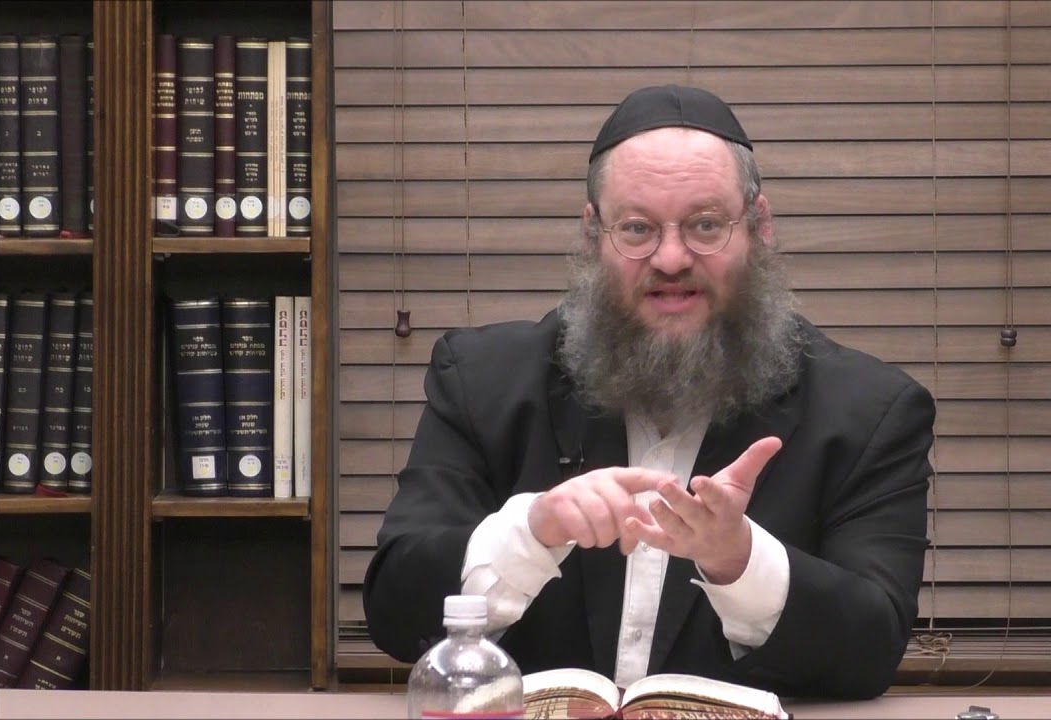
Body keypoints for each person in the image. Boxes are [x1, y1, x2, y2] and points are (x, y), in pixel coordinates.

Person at [363, 84, 935, 700]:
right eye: (636, 229)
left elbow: (872, 652)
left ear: (759, 227)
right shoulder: (481, 381)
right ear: (594, 235)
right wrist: (532, 531)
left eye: (706, 226)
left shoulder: (871, 411)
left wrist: (739, 560)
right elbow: (396, 613)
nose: (670, 258)